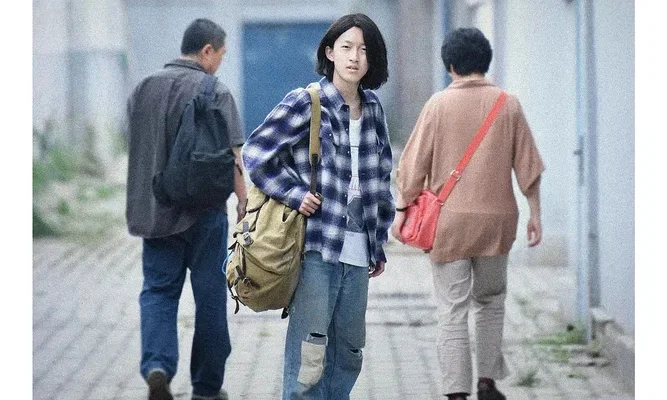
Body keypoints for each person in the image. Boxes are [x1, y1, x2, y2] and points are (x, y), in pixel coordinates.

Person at [242, 13, 394, 400]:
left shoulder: (374, 109)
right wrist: (295, 194)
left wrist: (378, 241)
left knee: (349, 352)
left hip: (359, 250)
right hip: (316, 248)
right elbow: (255, 154)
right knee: (310, 353)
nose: (354, 57)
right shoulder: (307, 102)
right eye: (346, 47)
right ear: (330, 52)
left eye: (364, 50)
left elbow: (381, 177)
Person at [391, 27, 544, 400]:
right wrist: (535, 214)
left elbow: (412, 167)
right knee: (490, 301)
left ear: (450, 65)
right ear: (485, 62)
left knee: (453, 309)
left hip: (450, 224)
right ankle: (487, 383)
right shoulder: (508, 104)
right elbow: (528, 166)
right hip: (496, 222)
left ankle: (456, 392)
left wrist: (401, 209)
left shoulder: (437, 105)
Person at [125, 18, 246, 400]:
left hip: (155, 212)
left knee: (158, 291)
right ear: (207, 50)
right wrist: (243, 203)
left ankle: (157, 366)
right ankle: (207, 388)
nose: (220, 62)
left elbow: (139, 145)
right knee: (210, 299)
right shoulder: (216, 90)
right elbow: (235, 154)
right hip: (205, 213)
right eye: (221, 54)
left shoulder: (142, 89)